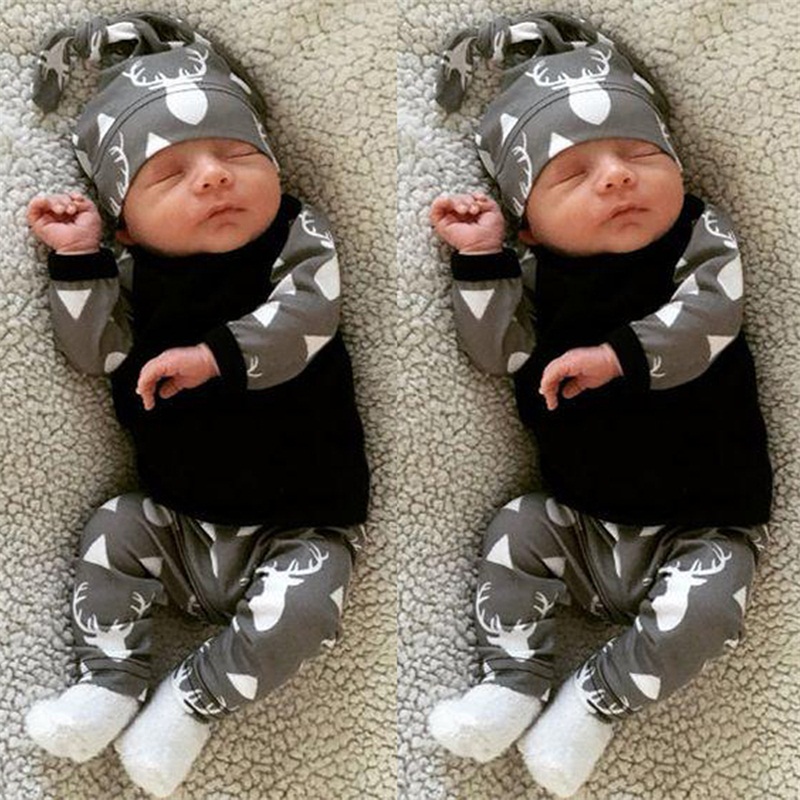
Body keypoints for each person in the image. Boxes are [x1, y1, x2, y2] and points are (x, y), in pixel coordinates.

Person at [25, 12, 369, 798]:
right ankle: (109, 680)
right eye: (170, 175)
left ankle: (192, 700)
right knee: (113, 528)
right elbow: (95, 352)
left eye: (238, 156)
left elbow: (310, 315)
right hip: (170, 517)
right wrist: (77, 260)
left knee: (309, 610)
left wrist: (215, 356)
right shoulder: (128, 271)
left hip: (301, 524)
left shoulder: (295, 236)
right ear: (125, 222)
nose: (213, 177)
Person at [427, 12, 771, 798]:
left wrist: (618, 356)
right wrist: (479, 260)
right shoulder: (532, 272)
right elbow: (496, 353)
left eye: (641, 155)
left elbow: (713, 315)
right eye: (573, 175)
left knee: (712, 609)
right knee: (515, 529)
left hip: (704, 522)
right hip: (574, 518)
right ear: (528, 223)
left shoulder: (697, 236)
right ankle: (512, 681)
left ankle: (594, 701)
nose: (616, 177)